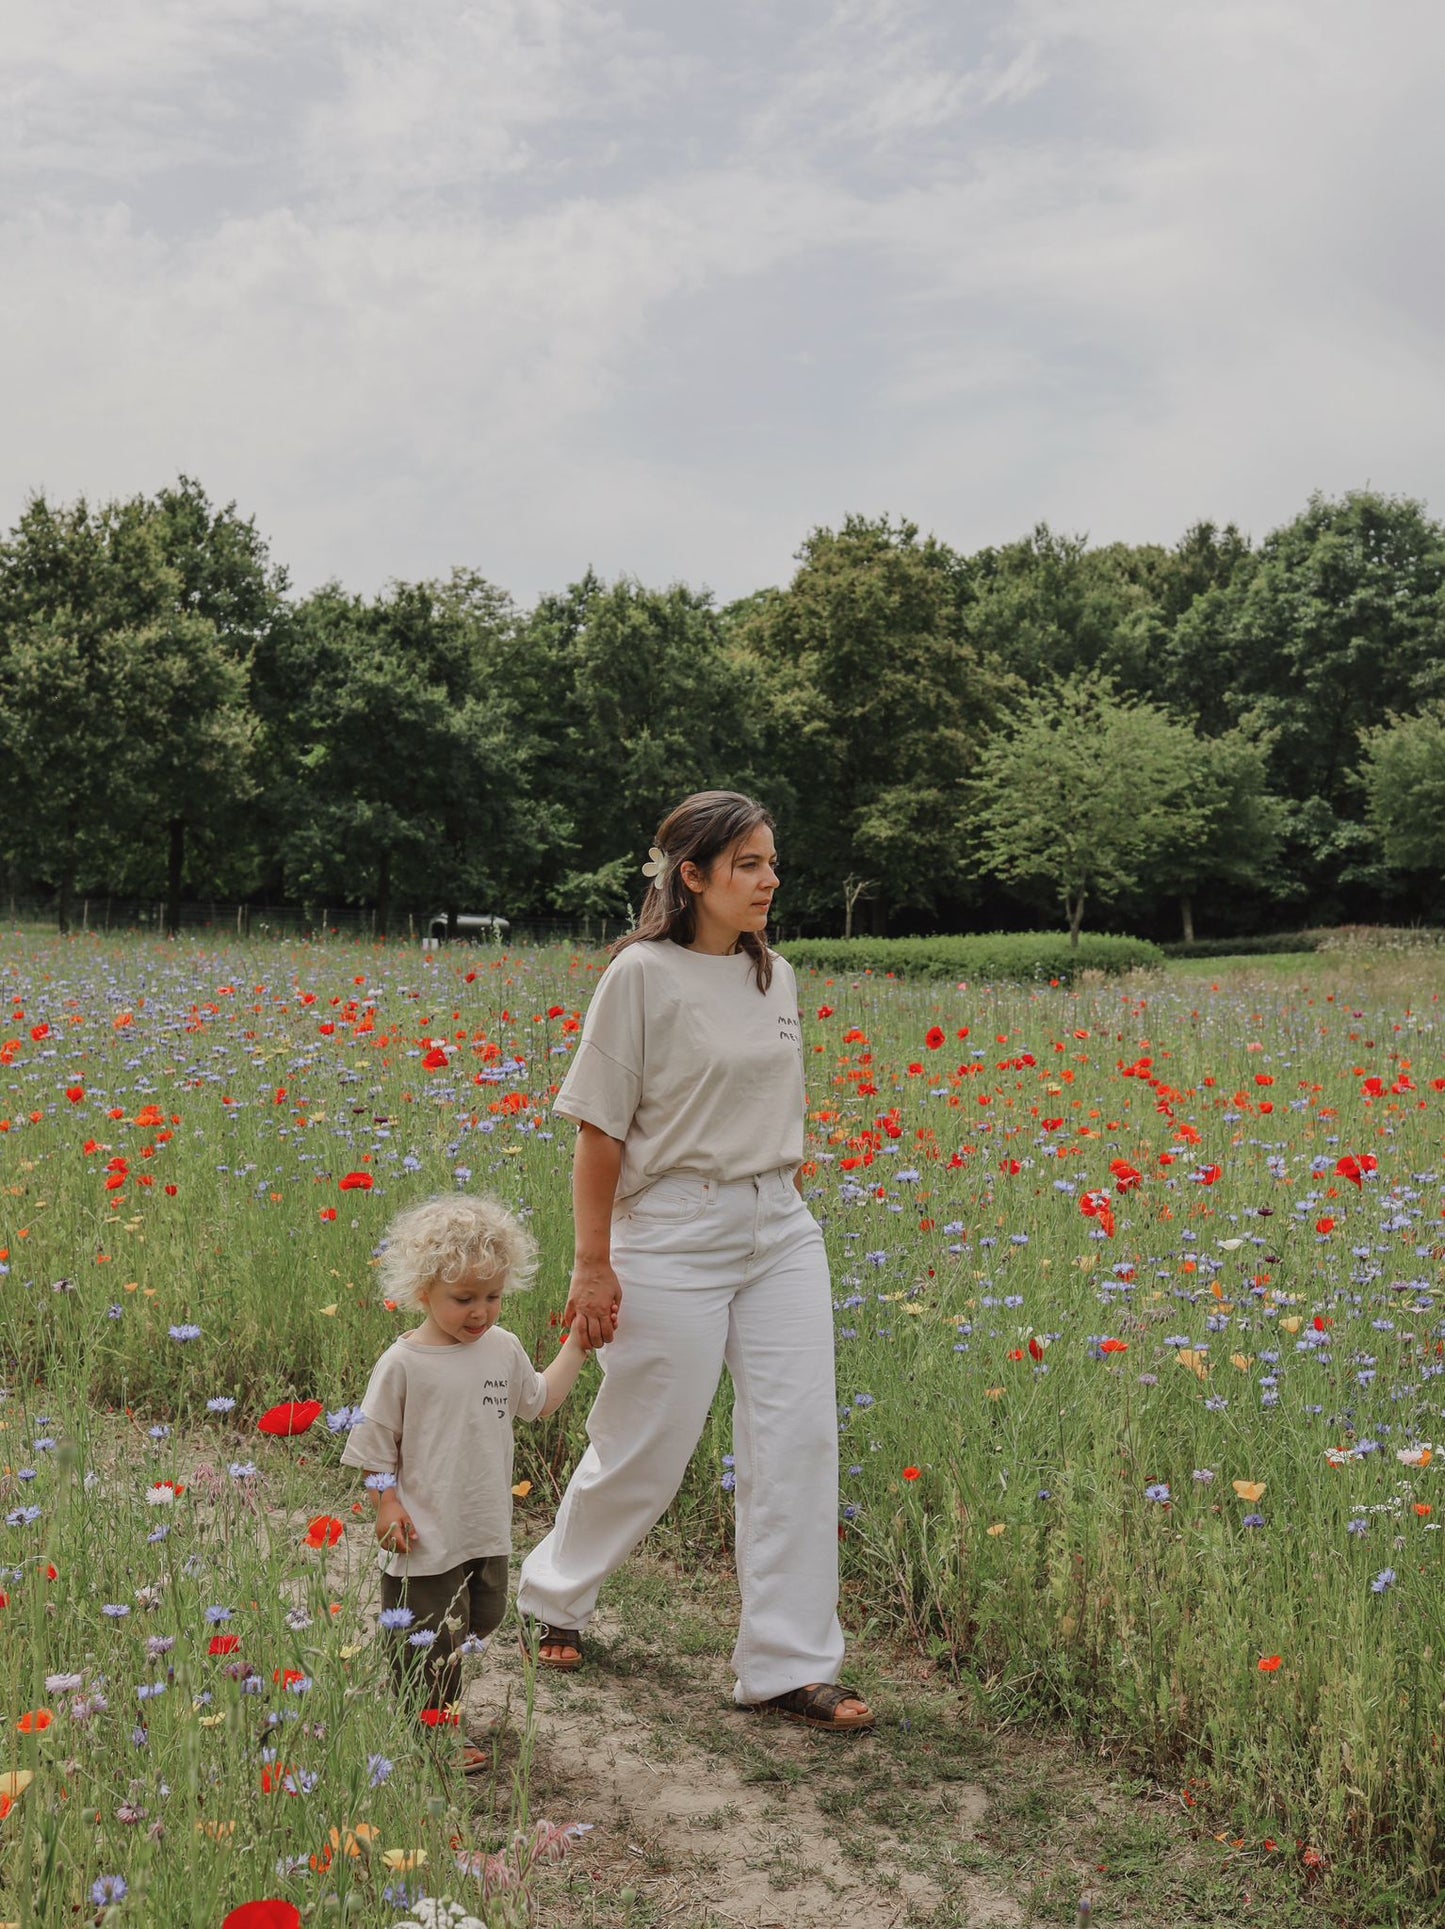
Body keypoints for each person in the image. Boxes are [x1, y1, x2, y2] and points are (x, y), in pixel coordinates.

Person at [517, 790, 873, 1733]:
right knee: (646, 1443)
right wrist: (593, 1264)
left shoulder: (776, 977)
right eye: (748, 864)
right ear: (693, 875)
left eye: (771, 862)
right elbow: (599, 1129)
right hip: (670, 1228)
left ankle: (789, 1665)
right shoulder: (639, 976)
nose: (769, 879)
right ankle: (552, 1593)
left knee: (798, 1439)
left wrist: (774, 1188)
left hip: (779, 1226)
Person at [342, 1194, 588, 1761]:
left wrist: (576, 1344)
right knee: (434, 1636)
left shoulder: (502, 1349)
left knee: (484, 1616)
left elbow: (541, 1401)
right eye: (463, 1299)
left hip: (482, 1524)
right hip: (425, 1532)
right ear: (422, 1292)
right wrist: (386, 1505)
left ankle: (420, 1696)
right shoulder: (402, 1365)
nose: (481, 1312)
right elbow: (375, 1447)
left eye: (493, 1296)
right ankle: (434, 1729)